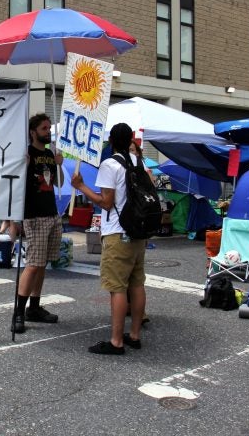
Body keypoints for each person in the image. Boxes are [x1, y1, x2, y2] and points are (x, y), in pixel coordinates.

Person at [71, 123, 147, 355]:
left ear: (111, 140)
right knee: (136, 283)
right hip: (137, 231)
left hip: (116, 231)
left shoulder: (110, 164)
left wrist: (81, 186)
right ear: (131, 140)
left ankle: (116, 341)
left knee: (117, 288)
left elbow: (106, 201)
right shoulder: (137, 162)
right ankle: (134, 335)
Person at [12, 113, 63, 334]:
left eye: (49, 128)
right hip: (34, 216)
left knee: (42, 264)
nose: (48, 132)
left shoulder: (50, 154)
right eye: (44, 128)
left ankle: (34, 307)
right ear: (33, 132)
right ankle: (18, 312)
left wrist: (59, 165)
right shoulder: (27, 154)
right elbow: (15, 185)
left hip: (51, 213)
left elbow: (58, 183)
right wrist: (15, 220)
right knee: (33, 263)